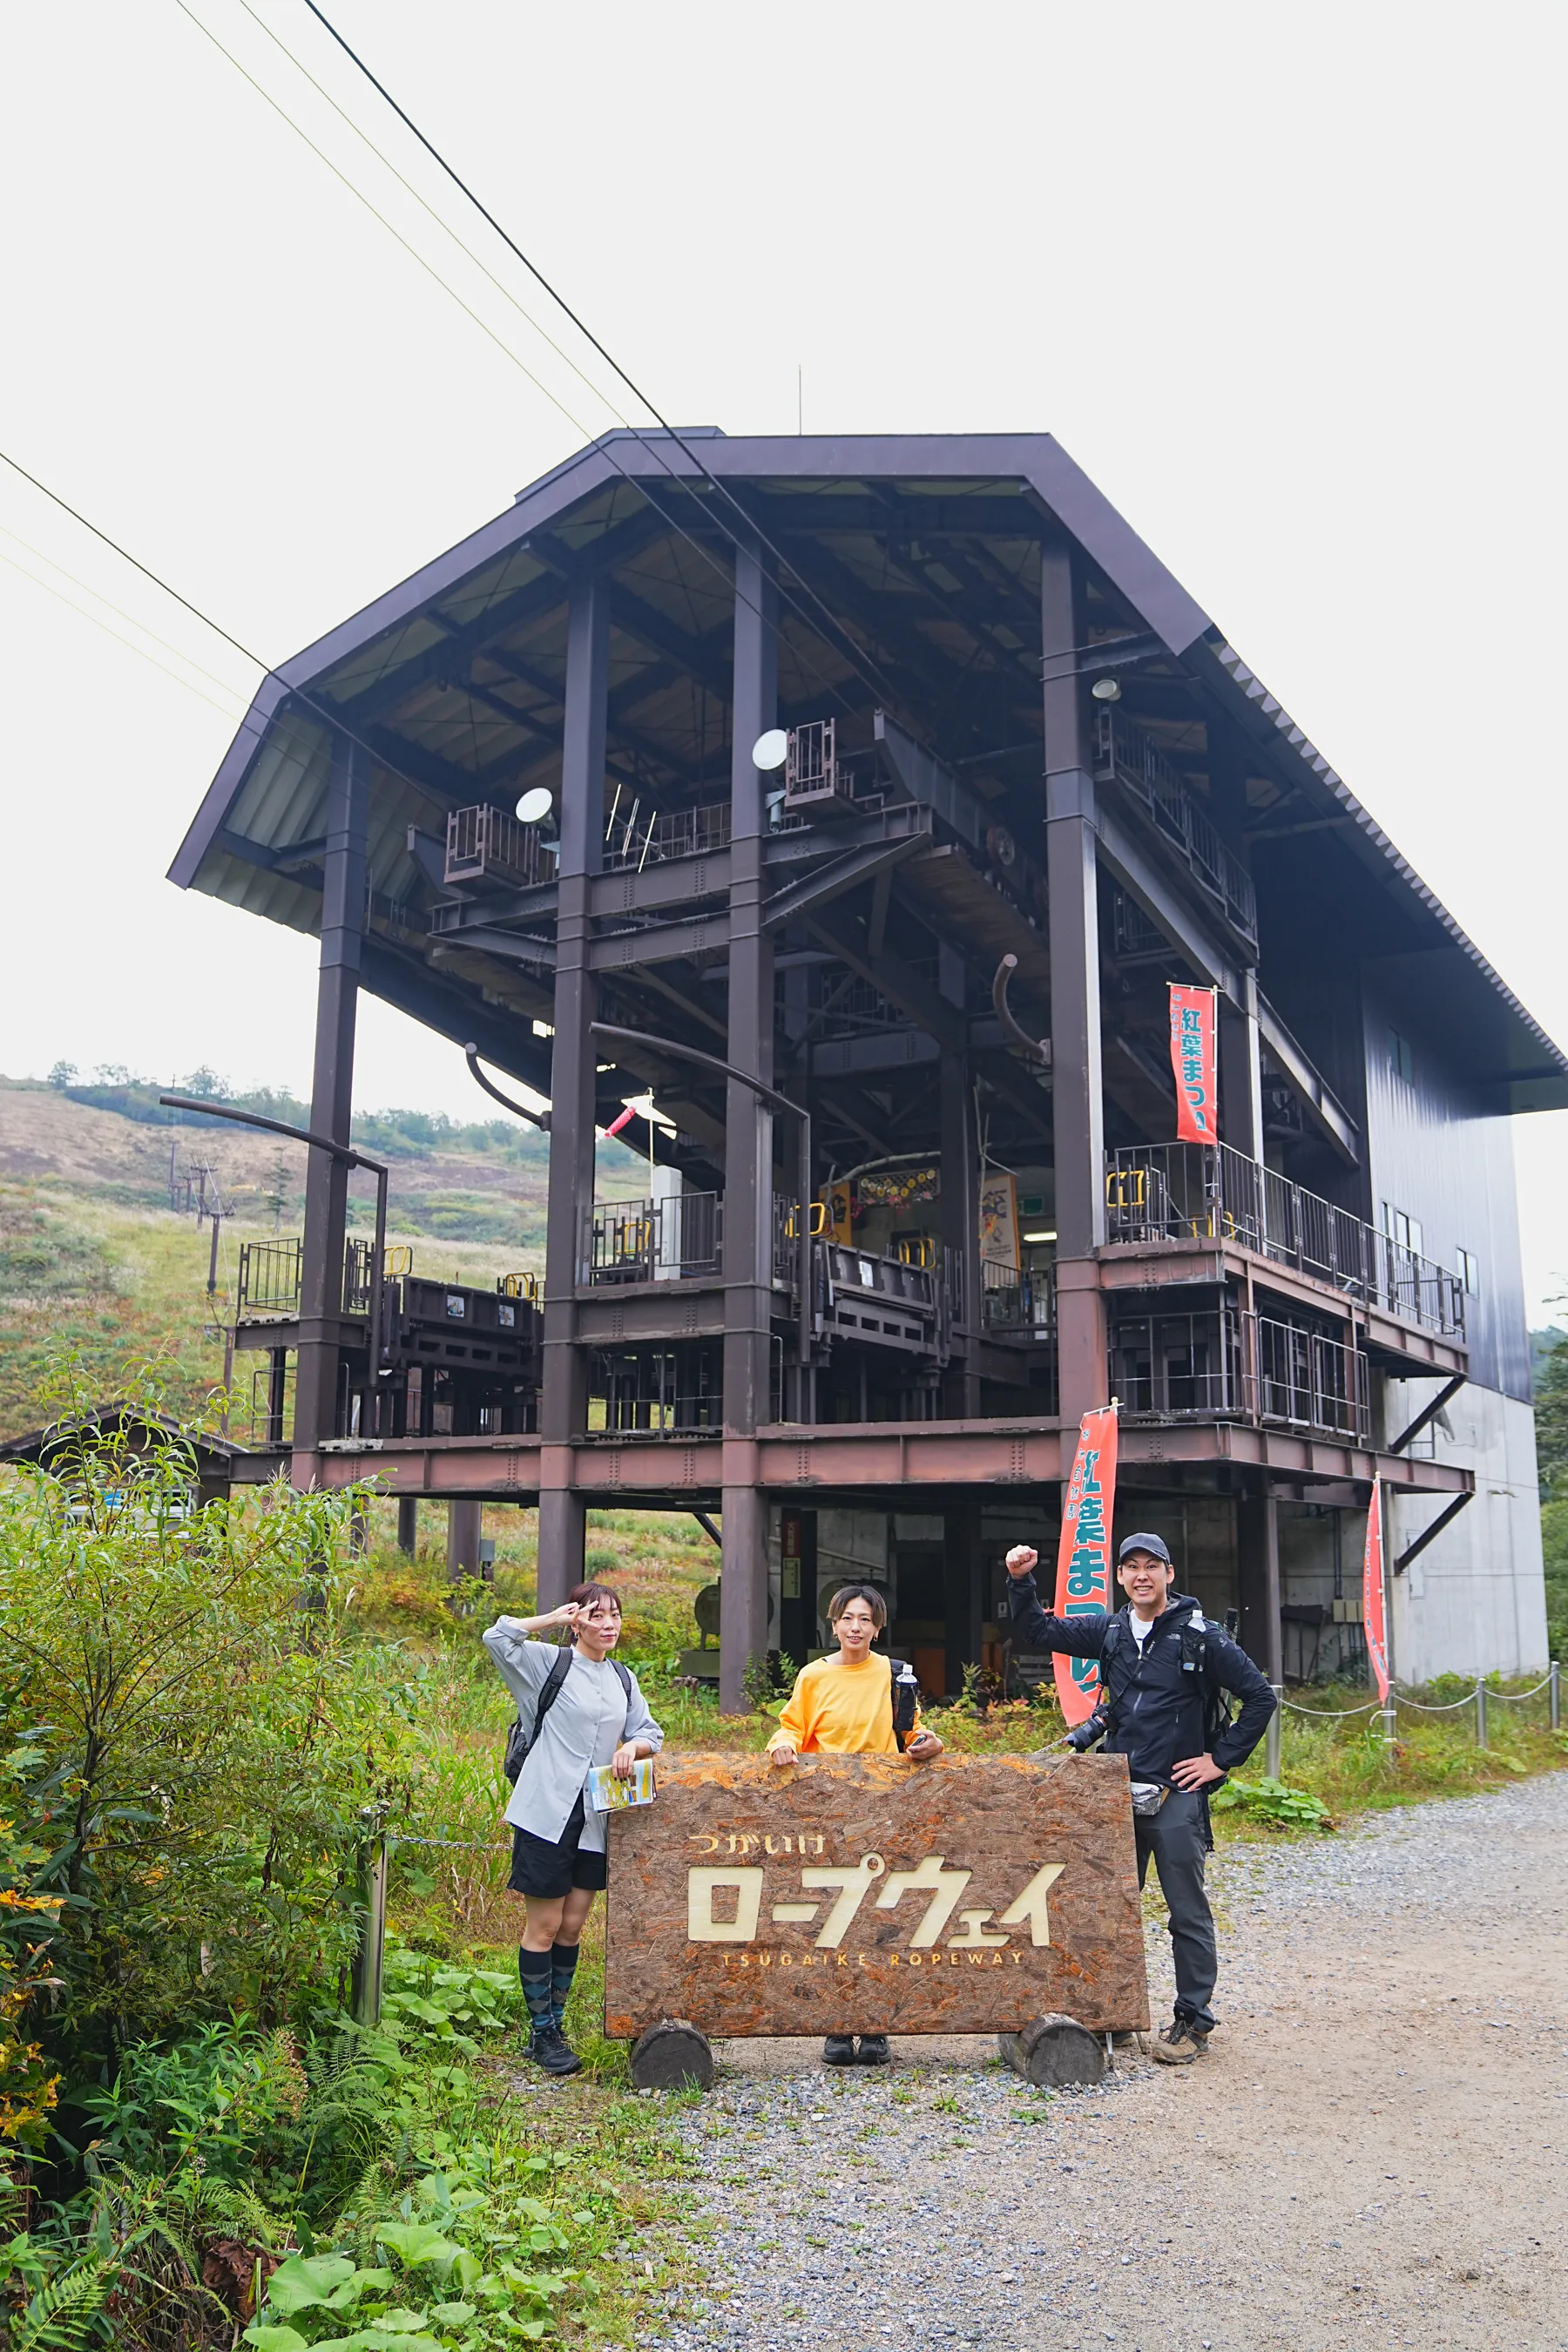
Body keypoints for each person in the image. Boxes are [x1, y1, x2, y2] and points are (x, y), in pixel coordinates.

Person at [1003, 1531, 1275, 2065]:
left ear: (1170, 1575)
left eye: (1153, 1566)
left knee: (1186, 1913)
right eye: (1131, 1567)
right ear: (1120, 1578)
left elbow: (1259, 1697)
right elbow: (1036, 1629)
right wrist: (1020, 1581)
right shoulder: (1111, 1630)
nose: (1142, 1575)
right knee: (1111, 1911)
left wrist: (1220, 1760)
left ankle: (1192, 2020)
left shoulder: (1202, 1636)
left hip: (1176, 1796)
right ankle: (1116, 2012)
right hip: (1117, 1793)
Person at [483, 1581, 664, 2078]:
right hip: (546, 1811)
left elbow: (651, 1731)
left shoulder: (622, 1678)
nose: (608, 1625)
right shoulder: (547, 1663)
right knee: (542, 1927)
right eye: (596, 1616)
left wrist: (633, 1748)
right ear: (577, 1620)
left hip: (597, 1817)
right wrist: (551, 1619)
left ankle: (554, 2023)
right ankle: (543, 2035)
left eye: (615, 1616)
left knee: (572, 1925)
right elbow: (497, 1638)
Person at [767, 1583, 944, 2068]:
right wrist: (780, 1744)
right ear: (834, 1623)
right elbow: (791, 1727)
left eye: (866, 1619)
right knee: (832, 1917)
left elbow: (912, 1731)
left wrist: (930, 1742)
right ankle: (837, 2024)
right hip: (828, 1814)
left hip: (886, 1810)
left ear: (878, 1627)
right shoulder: (813, 1676)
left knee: (883, 1916)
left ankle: (877, 2024)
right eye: (848, 1618)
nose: (856, 1627)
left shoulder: (895, 1674)